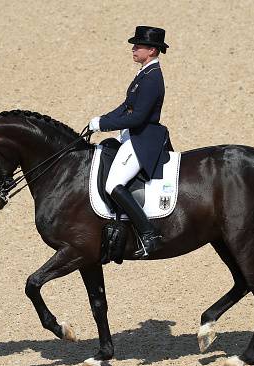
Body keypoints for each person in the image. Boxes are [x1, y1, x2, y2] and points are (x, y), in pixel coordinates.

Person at [88, 26, 170, 258]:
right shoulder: (143, 74)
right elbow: (125, 107)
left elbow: (137, 117)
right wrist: (101, 120)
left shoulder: (153, 78)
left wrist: (104, 125)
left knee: (113, 184)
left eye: (138, 46)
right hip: (131, 135)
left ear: (152, 50)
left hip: (143, 138)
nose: (133, 49)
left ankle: (148, 233)